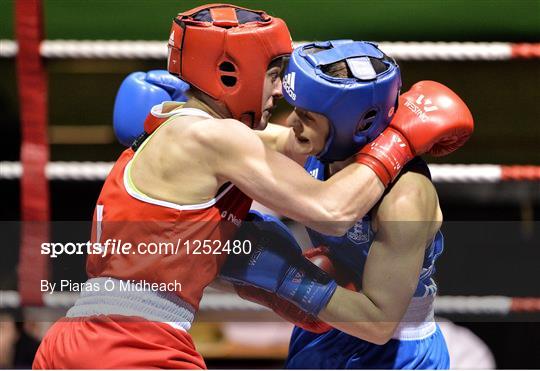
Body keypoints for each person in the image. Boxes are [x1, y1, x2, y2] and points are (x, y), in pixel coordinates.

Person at [33, 4, 471, 368]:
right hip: (134, 349)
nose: (280, 92)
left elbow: (289, 143)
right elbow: (333, 213)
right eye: (274, 73)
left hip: (73, 341)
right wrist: (399, 139)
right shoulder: (216, 138)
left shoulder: (180, 124)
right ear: (229, 72)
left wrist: (278, 282)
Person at [221, 41, 472, 369]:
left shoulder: (404, 198)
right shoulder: (316, 144)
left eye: (308, 115)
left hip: (393, 351)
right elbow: (241, 143)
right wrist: (183, 122)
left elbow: (377, 323)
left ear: (353, 123)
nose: (294, 123)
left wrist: (285, 276)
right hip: (323, 330)